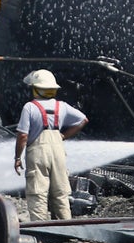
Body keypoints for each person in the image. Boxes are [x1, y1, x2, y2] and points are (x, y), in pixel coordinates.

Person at [14, 69, 88, 221]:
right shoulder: (62, 106)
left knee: (38, 193)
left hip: (38, 153)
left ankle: (42, 230)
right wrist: (63, 135)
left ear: (36, 89)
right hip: (58, 152)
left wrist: (17, 157)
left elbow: (23, 136)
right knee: (60, 193)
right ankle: (66, 229)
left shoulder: (29, 107)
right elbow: (83, 120)